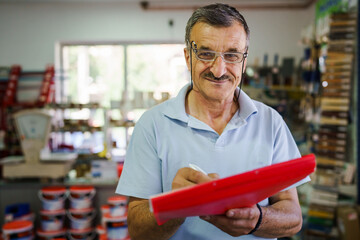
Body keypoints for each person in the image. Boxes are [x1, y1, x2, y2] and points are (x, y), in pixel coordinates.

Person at [116, 3, 310, 240]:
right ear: (188, 57)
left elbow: (293, 217)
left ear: (243, 62)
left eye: (232, 55)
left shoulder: (271, 122)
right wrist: (177, 206)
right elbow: (137, 229)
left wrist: (257, 219)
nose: (219, 70)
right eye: (206, 53)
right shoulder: (152, 125)